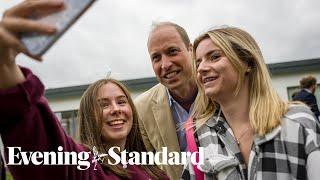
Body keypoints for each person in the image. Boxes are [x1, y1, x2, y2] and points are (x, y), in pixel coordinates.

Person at [0, 1, 167, 179]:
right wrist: (5, 65)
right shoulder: (85, 167)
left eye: (121, 101)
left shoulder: (152, 169)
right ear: (88, 116)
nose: (116, 109)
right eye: (103, 105)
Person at [182, 27, 320, 180]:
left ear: (247, 63)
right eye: (198, 63)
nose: (201, 68)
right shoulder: (200, 135)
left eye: (214, 57)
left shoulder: (297, 121)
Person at [134, 21, 198, 179]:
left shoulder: (219, 90)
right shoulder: (142, 109)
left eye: (172, 51)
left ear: (191, 50)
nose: (166, 64)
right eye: (156, 57)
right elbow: (147, 168)